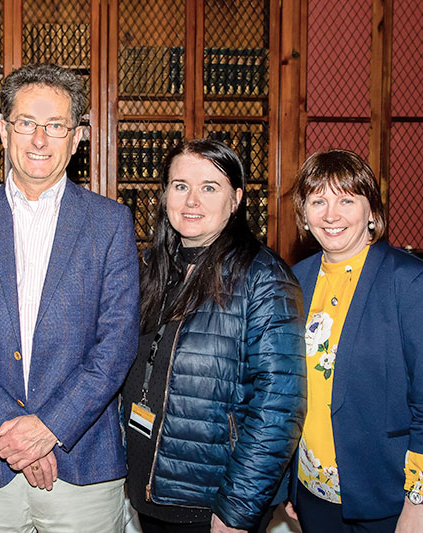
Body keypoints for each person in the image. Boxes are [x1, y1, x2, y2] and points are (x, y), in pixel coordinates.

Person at [0, 63, 140, 532]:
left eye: (55, 126)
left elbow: (116, 345)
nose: (39, 139)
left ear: (78, 137)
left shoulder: (111, 224)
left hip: (81, 461)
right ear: (3, 130)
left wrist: (48, 429)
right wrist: (11, 431)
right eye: (26, 123)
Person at [122, 139, 306, 533]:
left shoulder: (263, 278)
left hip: (211, 506)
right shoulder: (155, 269)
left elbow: (279, 408)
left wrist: (236, 511)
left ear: (236, 199)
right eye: (180, 185)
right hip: (151, 490)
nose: (192, 200)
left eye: (209, 187)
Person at [287, 149, 423, 533]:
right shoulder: (293, 280)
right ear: (304, 215)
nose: (331, 214)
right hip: (313, 494)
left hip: (391, 498)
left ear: (372, 211)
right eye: (318, 200)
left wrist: (420, 504)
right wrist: (290, 485)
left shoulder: (415, 282)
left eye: (346, 199)